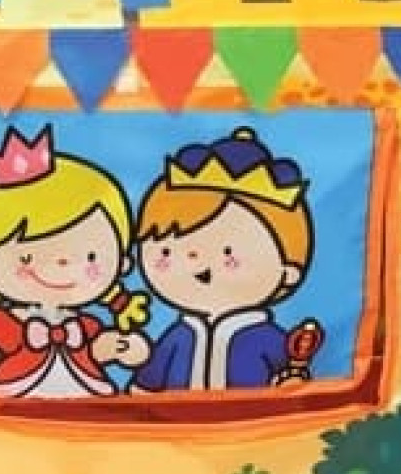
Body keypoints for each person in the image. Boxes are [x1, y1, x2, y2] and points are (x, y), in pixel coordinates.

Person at [0, 125, 150, 399]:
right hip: (13, 397)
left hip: (87, 398)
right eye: (26, 258)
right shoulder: (6, 325)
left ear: (122, 262)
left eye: (91, 256)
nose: (63, 264)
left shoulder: (83, 326)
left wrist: (118, 347)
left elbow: (95, 351)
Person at [130, 127, 320, 392]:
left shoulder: (266, 338)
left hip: (253, 416)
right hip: (176, 416)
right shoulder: (180, 335)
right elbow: (148, 382)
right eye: (166, 252)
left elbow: (287, 375)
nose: (196, 263)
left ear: (288, 272)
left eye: (229, 253)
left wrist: (290, 382)